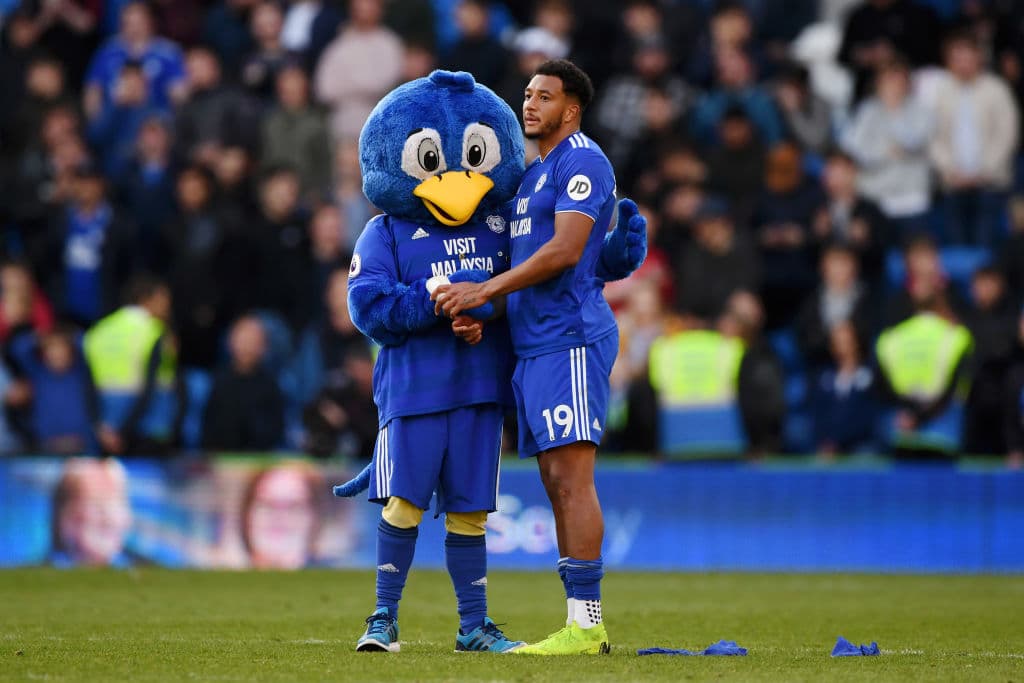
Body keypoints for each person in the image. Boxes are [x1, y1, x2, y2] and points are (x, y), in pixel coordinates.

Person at [434, 59, 621, 655]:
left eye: (544, 96)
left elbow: (566, 251)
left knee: (572, 479)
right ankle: (580, 623)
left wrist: (486, 290)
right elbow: (526, 269)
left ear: (571, 108)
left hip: (570, 339)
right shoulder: (532, 176)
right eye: (527, 95)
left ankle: (588, 625)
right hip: (535, 346)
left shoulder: (583, 161)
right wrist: (483, 311)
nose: (530, 105)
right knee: (552, 479)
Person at [201, 315, 284, 451]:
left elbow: (274, 432)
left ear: (264, 346)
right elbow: (209, 432)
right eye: (243, 339)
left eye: (252, 340)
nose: (247, 346)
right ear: (230, 341)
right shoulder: (218, 383)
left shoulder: (271, 386)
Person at [49, 457, 133, 567]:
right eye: (96, 504)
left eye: (115, 503)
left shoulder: (149, 570)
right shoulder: (35, 575)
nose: (108, 518)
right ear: (65, 517)